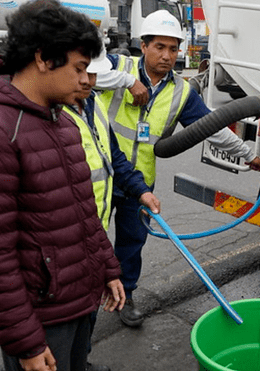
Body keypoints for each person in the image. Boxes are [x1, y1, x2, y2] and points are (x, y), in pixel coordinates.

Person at [0, 1, 125, 371]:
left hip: (80, 300)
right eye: (79, 68)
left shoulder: (63, 121)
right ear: (42, 58)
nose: (87, 80)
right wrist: (27, 344)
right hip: (42, 318)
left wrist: (107, 267)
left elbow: (84, 213)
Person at [96, 9, 260, 327]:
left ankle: (127, 295)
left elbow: (211, 128)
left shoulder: (181, 92)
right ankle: (84, 301)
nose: (166, 55)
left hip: (139, 183)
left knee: (132, 243)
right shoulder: (117, 66)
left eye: (173, 48)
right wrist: (128, 81)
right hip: (102, 177)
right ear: (143, 45)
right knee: (88, 241)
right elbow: (85, 76)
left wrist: (247, 155)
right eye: (159, 47)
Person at [64, 46, 161, 371]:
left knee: (85, 315)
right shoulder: (47, 117)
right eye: (83, 72)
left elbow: (114, 157)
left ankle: (82, 362)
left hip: (90, 237)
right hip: (61, 249)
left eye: (94, 74)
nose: (89, 81)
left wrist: (141, 192)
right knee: (58, 330)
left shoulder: (92, 104)